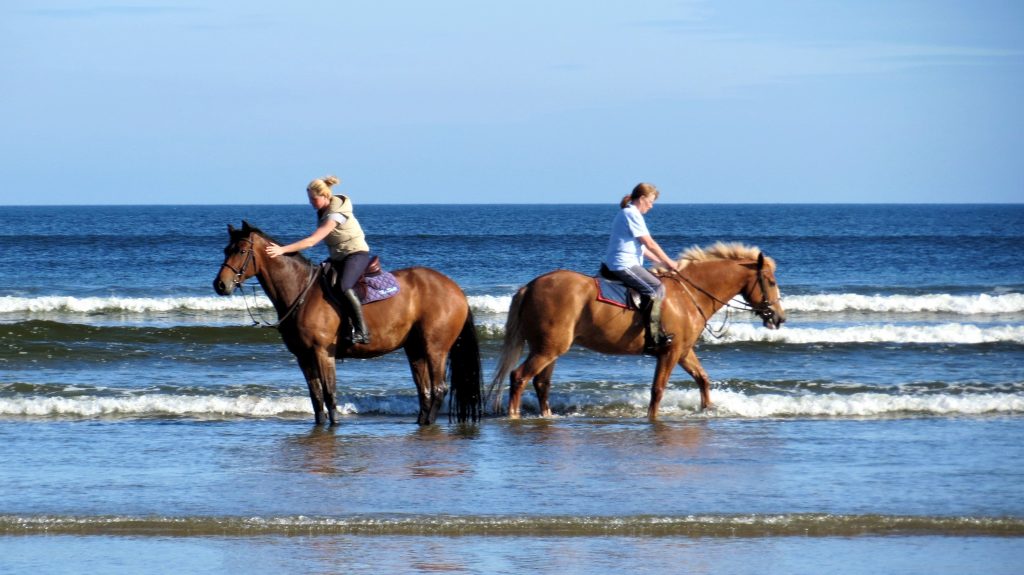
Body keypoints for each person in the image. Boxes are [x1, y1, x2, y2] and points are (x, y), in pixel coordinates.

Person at [266, 175, 372, 344]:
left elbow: (312, 241)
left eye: (313, 199)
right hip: (338, 257)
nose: (311, 203)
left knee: (344, 287)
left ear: (325, 196)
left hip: (356, 254)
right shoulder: (324, 212)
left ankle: (362, 331)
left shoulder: (336, 215)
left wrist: (281, 250)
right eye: (309, 199)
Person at [602, 182, 681, 354]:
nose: (651, 206)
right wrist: (669, 261)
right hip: (623, 264)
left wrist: (660, 264)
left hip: (626, 262)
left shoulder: (629, 213)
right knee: (656, 287)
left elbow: (642, 249)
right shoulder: (632, 213)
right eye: (650, 202)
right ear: (642, 198)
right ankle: (653, 338)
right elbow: (649, 243)